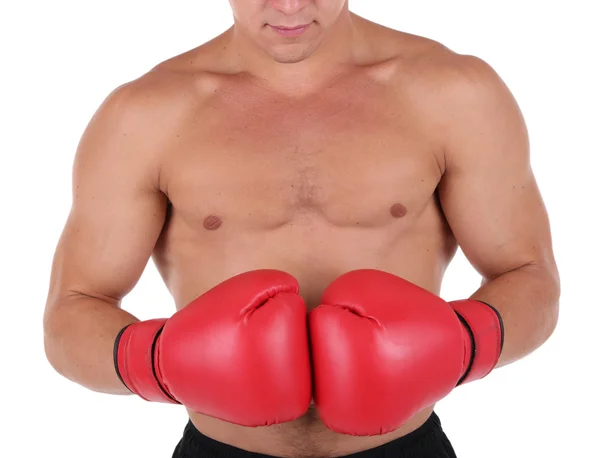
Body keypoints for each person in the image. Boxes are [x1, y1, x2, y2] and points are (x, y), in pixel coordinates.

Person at [43, 1, 560, 457]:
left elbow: (529, 276)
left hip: (405, 448)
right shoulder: (143, 115)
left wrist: (463, 346)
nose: (290, 6)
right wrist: (157, 362)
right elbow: (71, 315)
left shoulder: (453, 92)